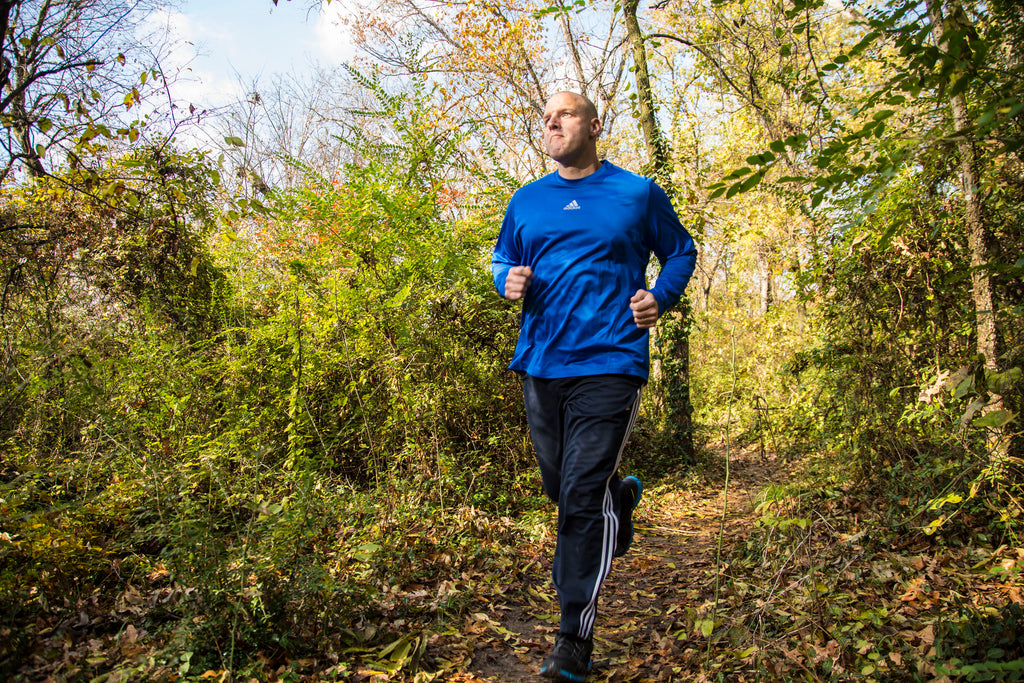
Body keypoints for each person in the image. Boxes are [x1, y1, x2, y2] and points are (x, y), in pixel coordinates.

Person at [491, 91, 697, 681]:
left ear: (595, 125)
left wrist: (660, 295)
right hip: (541, 364)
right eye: (546, 116)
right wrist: (507, 279)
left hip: (611, 360)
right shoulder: (526, 200)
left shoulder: (637, 193)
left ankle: (572, 640)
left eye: (566, 113)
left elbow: (680, 251)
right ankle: (619, 503)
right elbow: (502, 258)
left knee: (579, 496)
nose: (552, 121)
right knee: (563, 488)